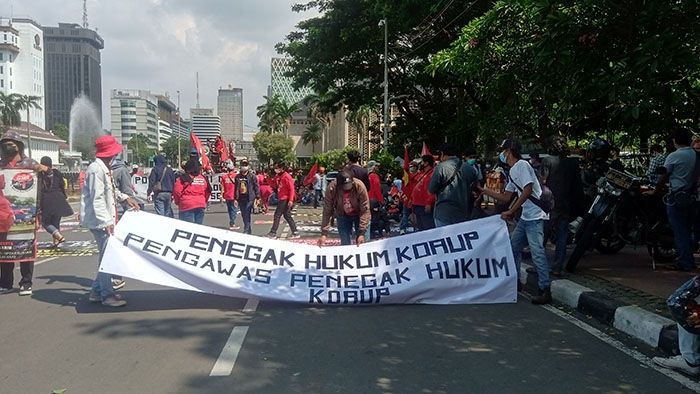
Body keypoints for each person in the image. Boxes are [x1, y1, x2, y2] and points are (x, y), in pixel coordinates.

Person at [480, 139, 552, 304]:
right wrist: (486, 190)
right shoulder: (512, 171)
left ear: (510, 151)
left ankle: (545, 290)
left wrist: (512, 211)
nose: (502, 154)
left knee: (537, 253)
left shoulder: (522, 165)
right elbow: (506, 197)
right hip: (525, 217)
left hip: (535, 217)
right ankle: (516, 282)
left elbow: (527, 190)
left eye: (503, 150)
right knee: (513, 247)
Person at [80, 135, 140, 307]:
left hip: (106, 218)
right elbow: (97, 198)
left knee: (107, 257)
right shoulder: (95, 169)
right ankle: (106, 295)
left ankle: (97, 291)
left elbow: (111, 191)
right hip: (101, 221)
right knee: (107, 258)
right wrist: (106, 222)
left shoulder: (104, 168)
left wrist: (125, 198)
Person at [0, 131, 48, 296]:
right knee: (5, 249)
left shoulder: (30, 164)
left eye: (12, 142)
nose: (9, 145)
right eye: (5, 142)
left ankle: (26, 282)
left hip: (28, 215)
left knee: (26, 248)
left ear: (19, 145)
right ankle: (5, 282)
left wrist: (43, 170)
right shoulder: (1, 165)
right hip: (3, 217)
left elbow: (46, 184)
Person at [647, 129, 698, 271]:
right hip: (692, 196)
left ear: (675, 141)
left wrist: (655, 191)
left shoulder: (674, 156)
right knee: (687, 230)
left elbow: (663, 176)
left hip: (676, 197)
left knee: (679, 230)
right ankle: (689, 258)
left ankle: (685, 262)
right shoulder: (696, 155)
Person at [540, 137, 584, 277]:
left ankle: (540, 266)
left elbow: (543, 182)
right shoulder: (572, 163)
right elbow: (578, 187)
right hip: (565, 204)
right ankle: (558, 267)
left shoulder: (547, 161)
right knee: (562, 236)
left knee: (542, 236)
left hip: (549, 204)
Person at [428, 145, 478, 227]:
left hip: (444, 212)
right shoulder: (470, 168)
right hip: (463, 212)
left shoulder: (440, 168)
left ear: (443, 154)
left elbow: (431, 190)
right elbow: (475, 187)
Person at [318, 170, 370, 246]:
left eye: (349, 186)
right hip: (342, 215)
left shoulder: (360, 186)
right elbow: (327, 210)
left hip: (359, 214)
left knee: (363, 243)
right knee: (345, 243)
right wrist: (324, 234)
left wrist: (361, 233)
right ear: (339, 185)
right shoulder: (332, 189)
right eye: (345, 187)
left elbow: (365, 210)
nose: (347, 189)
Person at [38, 156, 73, 247]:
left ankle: (58, 236)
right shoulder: (57, 172)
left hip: (47, 199)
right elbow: (62, 184)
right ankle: (56, 242)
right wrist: (65, 195)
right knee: (56, 220)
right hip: (59, 198)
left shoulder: (40, 174)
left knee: (45, 222)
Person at [173, 158, 211, 224]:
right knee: (198, 227)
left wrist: (178, 201)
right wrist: (204, 201)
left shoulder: (182, 178)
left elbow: (177, 191)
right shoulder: (203, 178)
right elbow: (208, 191)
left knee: (188, 227)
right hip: (200, 204)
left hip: (186, 204)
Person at [267, 163, 299, 238]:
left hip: (285, 198)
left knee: (277, 215)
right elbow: (274, 185)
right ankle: (295, 232)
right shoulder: (278, 176)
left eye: (277, 168)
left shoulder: (287, 176)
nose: (275, 170)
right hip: (281, 197)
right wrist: (267, 178)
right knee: (287, 215)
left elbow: (291, 189)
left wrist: (291, 200)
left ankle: (273, 232)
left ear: (281, 168)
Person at [234, 159, 260, 234]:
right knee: (243, 214)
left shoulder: (252, 176)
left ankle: (246, 229)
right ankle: (248, 230)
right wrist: (235, 198)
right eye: (243, 165)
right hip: (241, 198)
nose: (244, 167)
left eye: (246, 165)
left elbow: (256, 187)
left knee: (247, 213)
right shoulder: (237, 177)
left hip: (250, 198)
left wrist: (258, 197)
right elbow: (236, 188)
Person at [412, 155, 436, 230]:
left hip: (424, 206)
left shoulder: (431, 175)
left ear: (426, 163)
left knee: (427, 227)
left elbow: (432, 191)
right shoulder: (423, 174)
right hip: (418, 204)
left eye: (422, 162)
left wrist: (428, 203)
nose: (420, 164)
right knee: (421, 228)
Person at [399, 160, 420, 234]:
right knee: (405, 215)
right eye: (410, 166)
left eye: (412, 166)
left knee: (418, 215)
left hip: (416, 199)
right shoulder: (406, 176)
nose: (410, 168)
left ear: (416, 167)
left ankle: (418, 227)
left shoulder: (420, 176)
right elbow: (403, 186)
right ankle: (402, 228)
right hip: (407, 199)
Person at [220, 160, 240, 230]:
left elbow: (222, 187)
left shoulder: (224, 177)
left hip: (227, 195)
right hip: (234, 196)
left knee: (230, 210)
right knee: (234, 209)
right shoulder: (236, 176)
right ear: (233, 169)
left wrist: (221, 195)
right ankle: (232, 223)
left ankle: (232, 222)